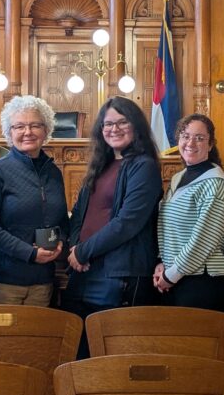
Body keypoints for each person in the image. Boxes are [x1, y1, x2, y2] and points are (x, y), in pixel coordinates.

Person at [64, 96, 163, 358]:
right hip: (84, 273)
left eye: (122, 122)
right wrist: (75, 248)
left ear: (136, 126)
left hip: (120, 275)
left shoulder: (144, 166)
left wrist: (84, 252)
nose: (114, 129)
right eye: (108, 124)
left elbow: (127, 223)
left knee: (112, 355)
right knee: (80, 353)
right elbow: (79, 214)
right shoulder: (101, 165)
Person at [0, 95, 67, 306]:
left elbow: (62, 219)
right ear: (10, 132)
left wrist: (60, 241)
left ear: (46, 130)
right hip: (2, 281)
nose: (27, 132)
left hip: (43, 281)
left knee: (35, 339)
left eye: (35, 125)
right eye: (19, 126)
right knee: (4, 339)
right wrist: (30, 253)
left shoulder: (54, 173)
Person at [154, 114, 224, 311]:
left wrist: (170, 276)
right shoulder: (177, 178)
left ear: (210, 145)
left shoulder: (215, 184)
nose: (190, 143)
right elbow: (166, 229)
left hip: (202, 281)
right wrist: (161, 263)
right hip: (176, 277)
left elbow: (203, 240)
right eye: (185, 136)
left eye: (199, 138)